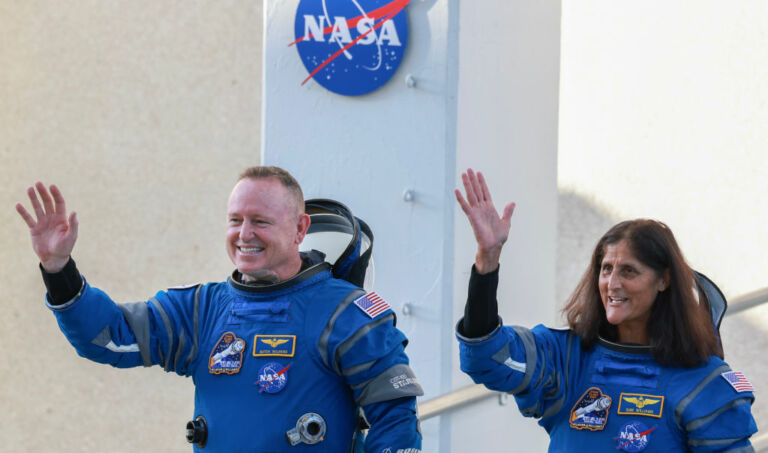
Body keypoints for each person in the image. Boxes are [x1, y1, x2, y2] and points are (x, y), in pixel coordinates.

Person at [16, 166, 423, 452]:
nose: (244, 234)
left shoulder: (348, 312)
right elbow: (109, 337)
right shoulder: (201, 310)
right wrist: (58, 269)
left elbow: (395, 420)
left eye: (260, 221)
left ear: (300, 228)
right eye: (235, 220)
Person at [453, 169, 757, 452]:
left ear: (664, 280)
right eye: (606, 268)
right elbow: (486, 357)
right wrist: (487, 260)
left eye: (629, 271)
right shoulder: (565, 360)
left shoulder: (704, 382)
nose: (612, 284)